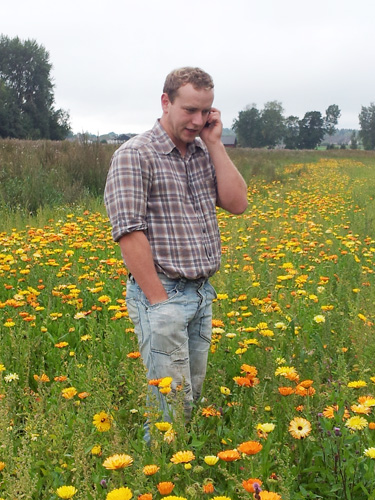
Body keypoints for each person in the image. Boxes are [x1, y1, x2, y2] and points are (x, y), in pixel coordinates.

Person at [104, 67, 248, 433]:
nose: (198, 120)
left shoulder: (203, 151)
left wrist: (215, 143)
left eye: (206, 111)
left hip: (201, 293)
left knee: (191, 396)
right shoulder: (135, 155)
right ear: (166, 102)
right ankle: (160, 476)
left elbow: (237, 203)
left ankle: (181, 469)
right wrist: (160, 302)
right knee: (168, 408)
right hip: (163, 293)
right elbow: (128, 233)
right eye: (189, 110)